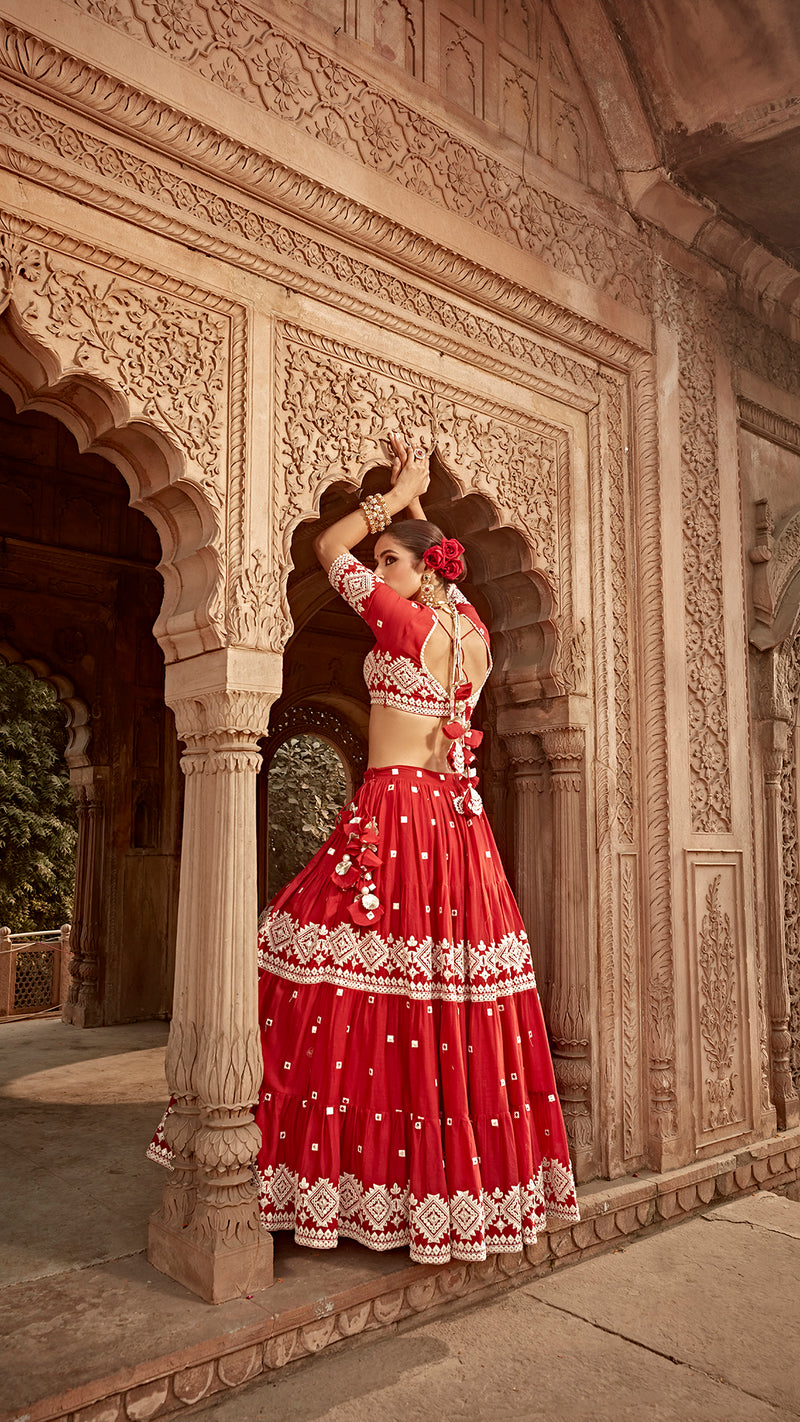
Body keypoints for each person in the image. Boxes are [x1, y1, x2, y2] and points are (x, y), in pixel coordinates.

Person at [150, 434, 579, 1265]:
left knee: (304, 964)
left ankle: (292, 1172)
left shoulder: (402, 616)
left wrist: (390, 498)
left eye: (392, 561)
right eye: (381, 563)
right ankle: (443, 1199)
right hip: (459, 824)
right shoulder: (469, 628)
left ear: (418, 574)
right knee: (440, 999)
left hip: (397, 812)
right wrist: (419, 513)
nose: (378, 571)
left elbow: (325, 547)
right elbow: (432, 568)